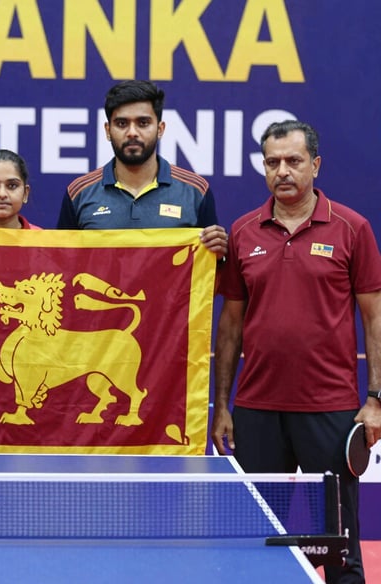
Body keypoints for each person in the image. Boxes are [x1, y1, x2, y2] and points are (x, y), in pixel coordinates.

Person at [212, 120, 381, 584]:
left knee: (340, 548)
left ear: (315, 165)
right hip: (257, 410)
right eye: (273, 162)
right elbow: (230, 325)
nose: (282, 171)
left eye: (293, 161)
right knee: (258, 542)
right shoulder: (243, 231)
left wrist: (376, 399)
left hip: (331, 409)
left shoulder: (352, 228)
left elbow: (374, 318)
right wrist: (223, 405)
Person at [56, 80, 227, 258]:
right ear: (107, 130)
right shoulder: (79, 193)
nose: (132, 132)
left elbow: (211, 265)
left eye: (143, 123)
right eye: (121, 124)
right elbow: (62, 262)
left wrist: (220, 254)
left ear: (160, 129)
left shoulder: (195, 191)